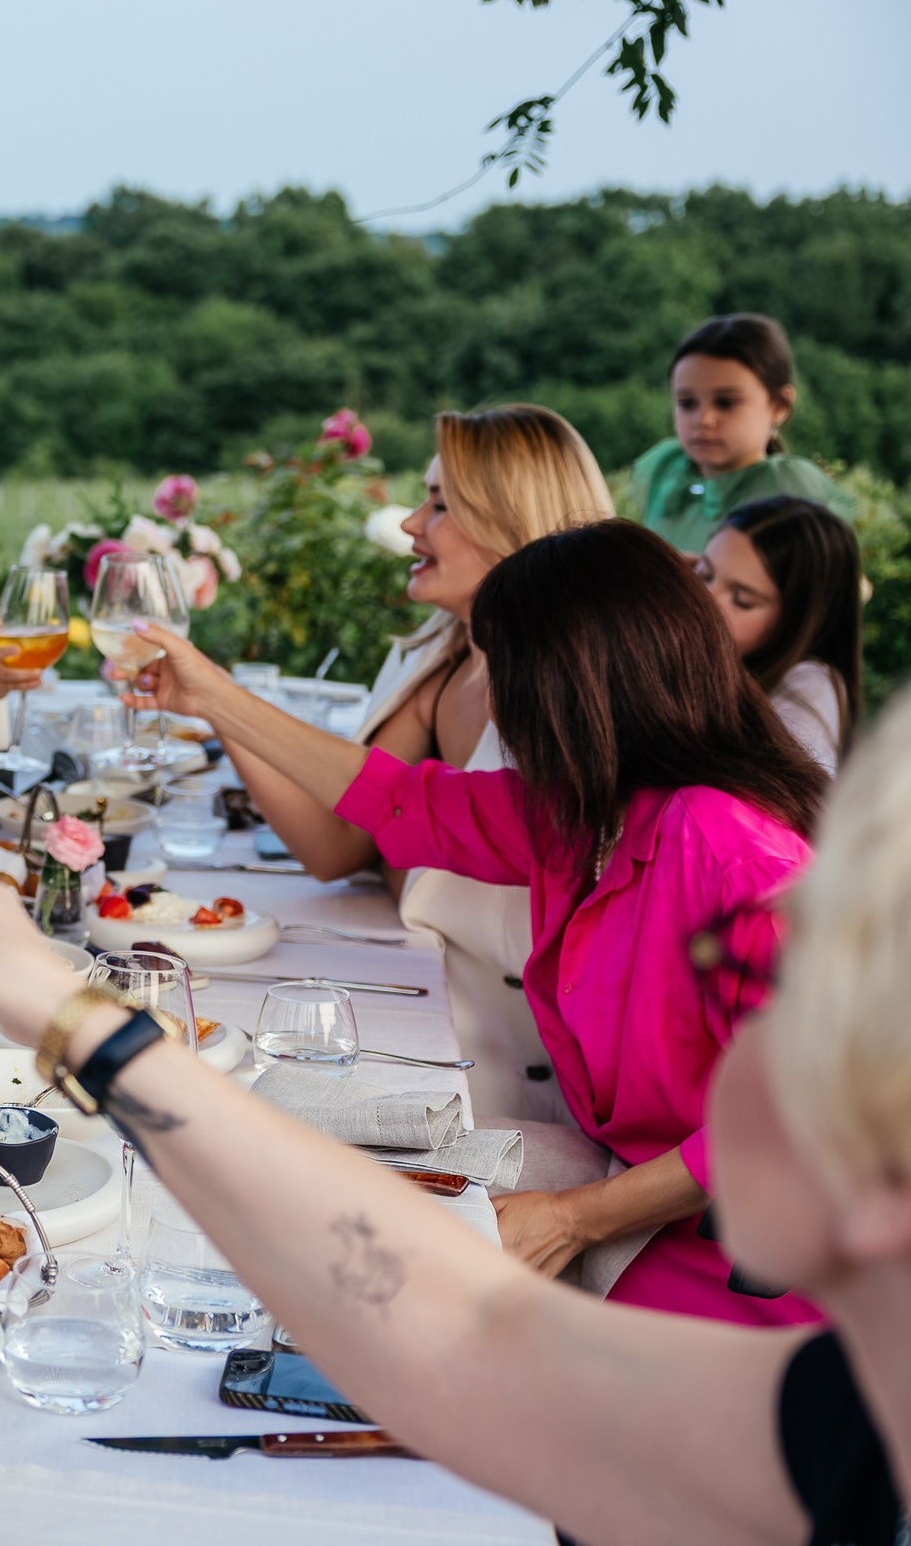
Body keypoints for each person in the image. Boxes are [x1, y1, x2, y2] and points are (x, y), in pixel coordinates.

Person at [0, 724, 911, 1546]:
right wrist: (64, 1017)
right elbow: (463, 1329)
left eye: (792, 984)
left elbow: (465, 1337)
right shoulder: (843, 1429)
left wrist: (72, 1020)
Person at [136, 518, 825, 1326]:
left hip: (747, 1259)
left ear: (574, 682)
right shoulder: (588, 814)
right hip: (639, 1196)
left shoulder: (733, 856)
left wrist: (574, 1217)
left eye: (506, 668)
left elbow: (797, 1121)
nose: (497, 699)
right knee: (311, 1174)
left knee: (383, 1285)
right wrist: (211, 694)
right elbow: (397, 800)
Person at [224, 404, 611, 1123]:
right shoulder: (442, 657)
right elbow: (336, 843)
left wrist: (220, 696)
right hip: (428, 1008)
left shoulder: (566, 696)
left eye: (439, 503)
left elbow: (399, 806)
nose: (409, 523)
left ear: (513, 521)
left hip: (519, 1073)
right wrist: (218, 707)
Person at [631, 313, 854, 555]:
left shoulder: (790, 490)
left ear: (780, 405)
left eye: (726, 403)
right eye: (687, 403)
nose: (703, 420)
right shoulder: (664, 471)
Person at [697, 494, 864, 774]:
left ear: (798, 620)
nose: (706, 602)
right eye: (704, 575)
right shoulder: (726, 660)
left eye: (742, 600)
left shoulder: (808, 692)